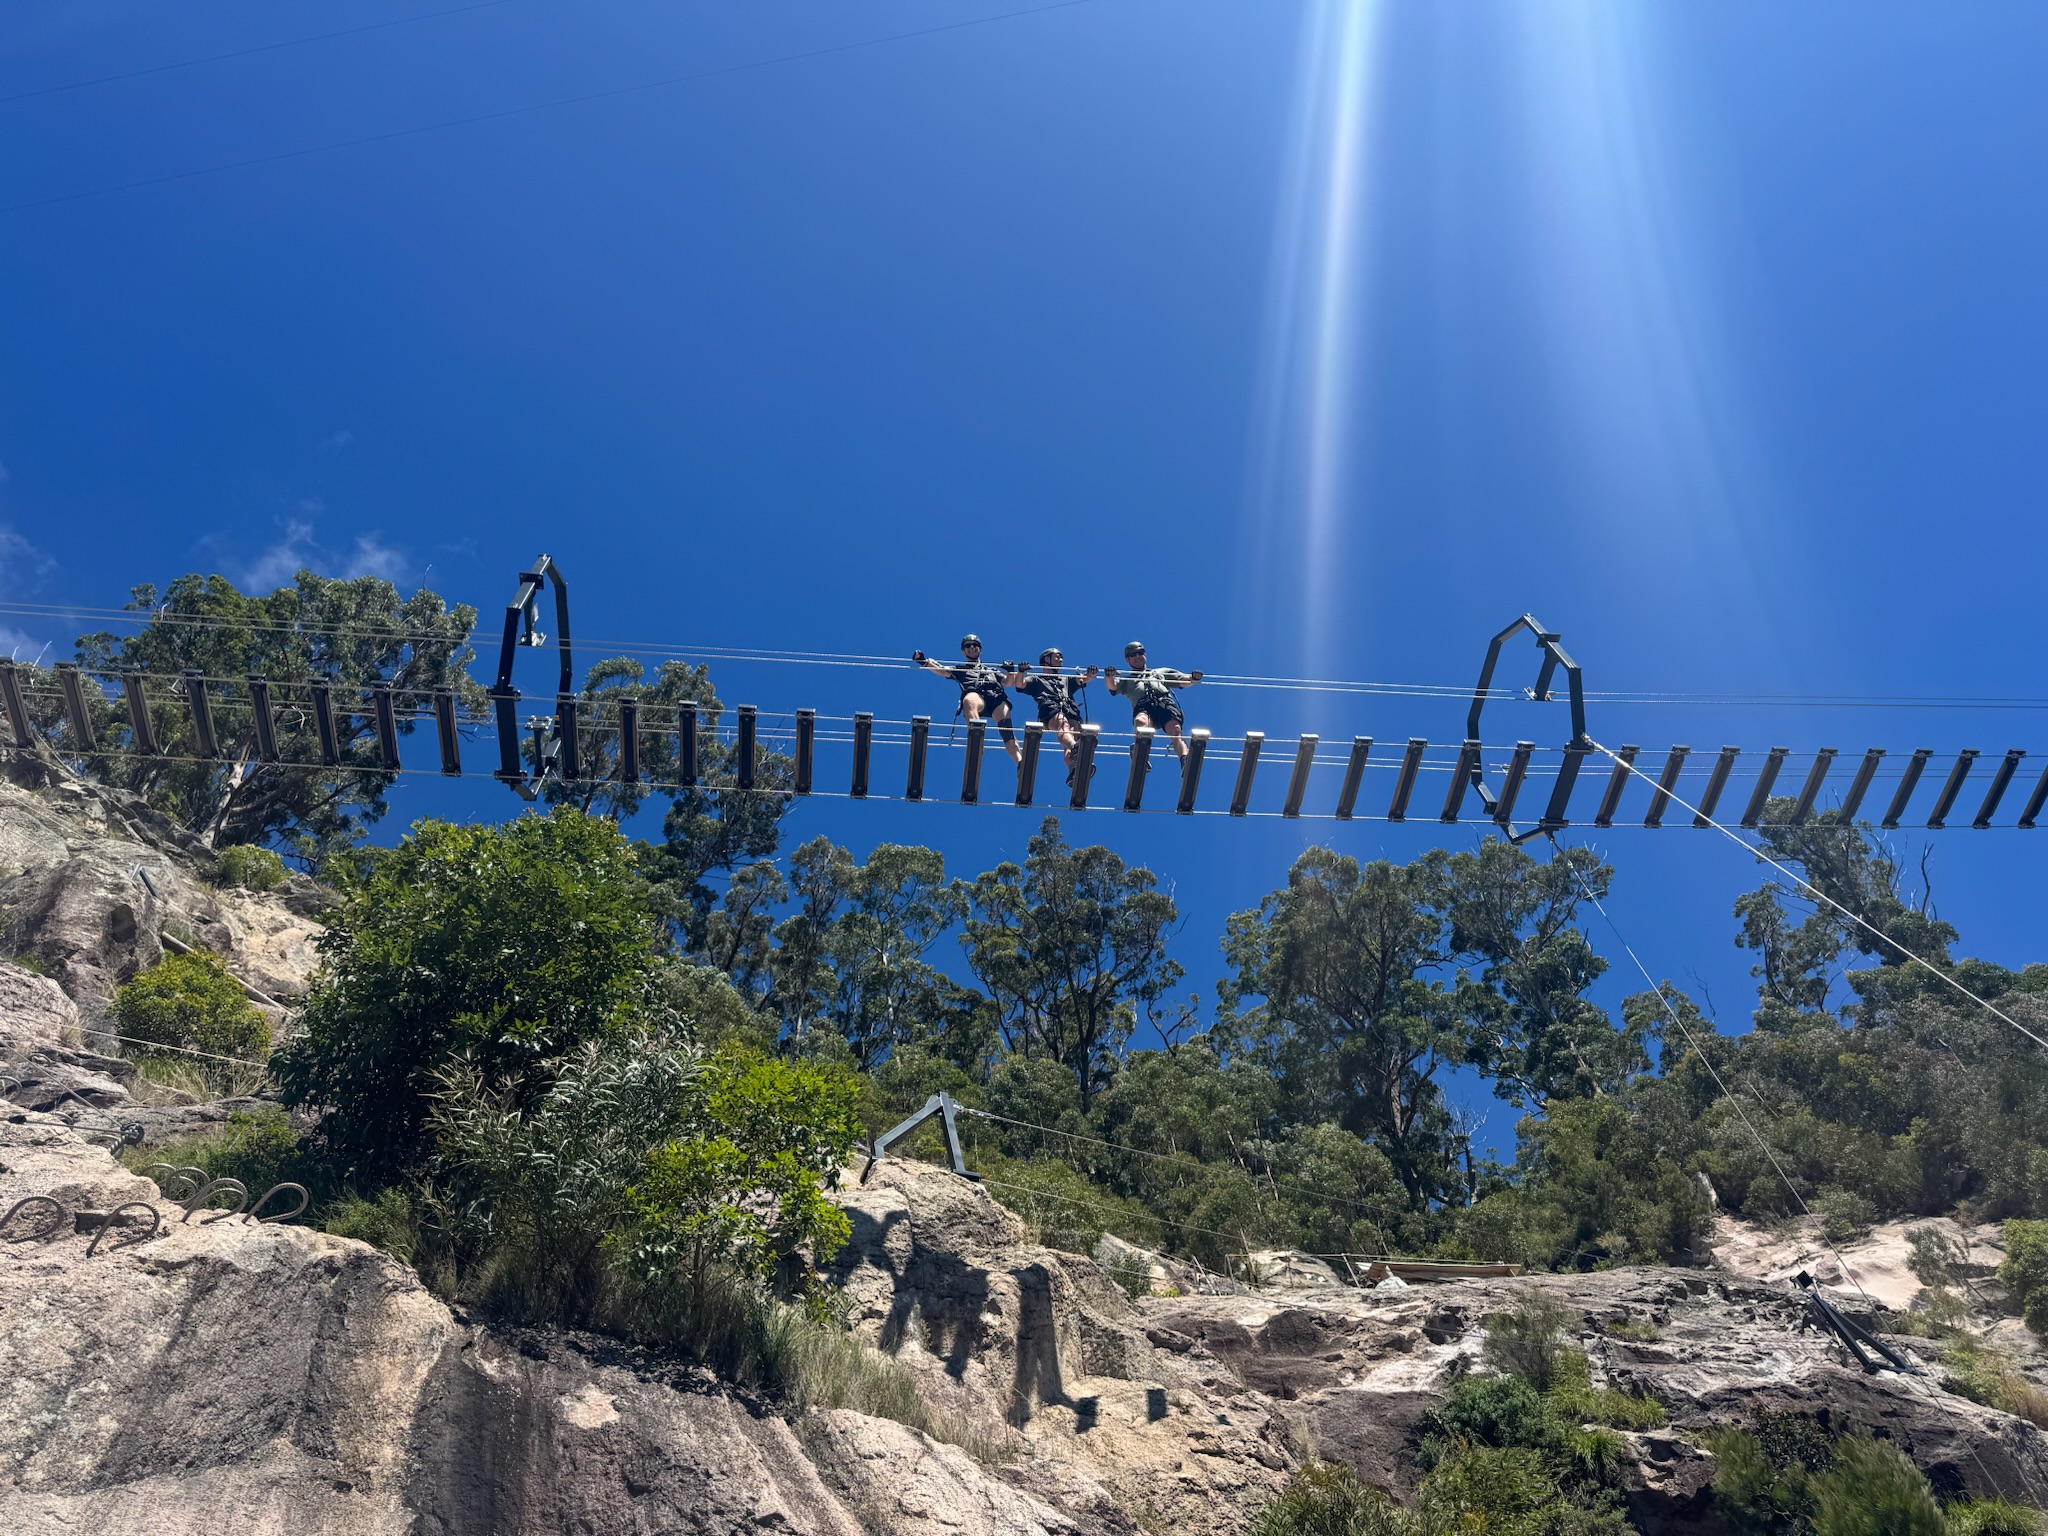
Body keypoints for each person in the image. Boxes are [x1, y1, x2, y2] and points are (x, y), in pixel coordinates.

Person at [912, 634, 1022, 764]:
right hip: (977, 695)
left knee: (1007, 733)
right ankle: (976, 739)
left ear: (980, 649)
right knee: (969, 700)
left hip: (996, 697)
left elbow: (1008, 682)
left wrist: (1010, 671)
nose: (972, 647)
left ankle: (1020, 762)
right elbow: (942, 670)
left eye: (975, 645)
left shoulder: (992, 670)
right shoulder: (960, 669)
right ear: (963, 652)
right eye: (968, 646)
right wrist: (924, 662)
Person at [1000, 648, 1098, 783]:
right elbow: (1020, 685)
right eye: (1057, 657)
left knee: (1073, 732)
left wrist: (1090, 673)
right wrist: (1021, 672)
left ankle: (1073, 768)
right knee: (1062, 725)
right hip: (1050, 708)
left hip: (1070, 709)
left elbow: (1083, 679)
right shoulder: (1036, 679)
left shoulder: (1065, 679)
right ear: (1047, 659)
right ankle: (1075, 747)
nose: (1061, 660)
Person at [1102, 641, 1202, 762]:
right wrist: (1109, 676)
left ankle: (1184, 759)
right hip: (1143, 706)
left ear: (1145, 655)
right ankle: (1140, 752)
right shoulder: (1127, 680)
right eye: (1133, 654)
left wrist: (1193, 678)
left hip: (1164, 704)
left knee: (1175, 730)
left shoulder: (1160, 672)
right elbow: (1112, 686)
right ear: (1128, 659)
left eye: (1140, 653)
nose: (1137, 656)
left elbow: (1182, 680)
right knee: (1140, 721)